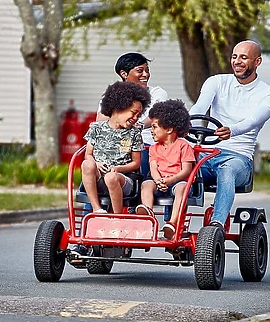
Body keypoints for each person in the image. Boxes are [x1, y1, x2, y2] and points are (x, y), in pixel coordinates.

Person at [189, 40, 270, 231]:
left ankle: (217, 224)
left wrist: (232, 130)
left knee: (226, 170)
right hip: (208, 153)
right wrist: (184, 126)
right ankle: (173, 223)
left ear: (257, 62)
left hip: (238, 157)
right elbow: (198, 108)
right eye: (234, 56)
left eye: (244, 57)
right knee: (179, 163)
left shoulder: (269, 95)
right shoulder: (217, 82)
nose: (237, 61)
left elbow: (252, 121)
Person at [82, 81, 151, 214]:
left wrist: (117, 169)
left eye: (138, 115)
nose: (135, 118)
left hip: (123, 179)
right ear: (119, 107)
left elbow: (136, 163)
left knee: (111, 177)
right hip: (100, 177)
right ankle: (97, 209)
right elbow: (88, 154)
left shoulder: (134, 133)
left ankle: (117, 216)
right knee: (87, 164)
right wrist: (97, 163)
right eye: (133, 112)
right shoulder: (97, 128)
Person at [97, 52, 168, 175]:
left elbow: (156, 116)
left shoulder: (157, 93)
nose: (145, 74)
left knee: (141, 153)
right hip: (115, 142)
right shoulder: (113, 94)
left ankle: (143, 186)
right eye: (140, 71)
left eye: (147, 70)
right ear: (124, 74)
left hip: (145, 143)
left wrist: (138, 125)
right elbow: (101, 120)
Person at [135, 99, 195, 240]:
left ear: (168, 129)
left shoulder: (183, 146)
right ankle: (148, 214)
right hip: (159, 180)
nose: (151, 131)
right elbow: (153, 167)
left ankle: (172, 223)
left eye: (155, 127)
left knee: (182, 189)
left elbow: (186, 170)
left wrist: (171, 180)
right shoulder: (154, 148)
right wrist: (158, 180)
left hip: (177, 181)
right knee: (146, 184)